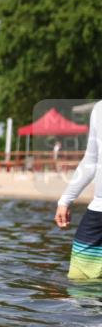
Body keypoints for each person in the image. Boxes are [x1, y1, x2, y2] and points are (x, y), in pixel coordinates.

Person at [54, 101, 102, 280]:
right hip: (98, 211)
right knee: (79, 282)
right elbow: (91, 160)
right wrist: (65, 199)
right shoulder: (99, 109)